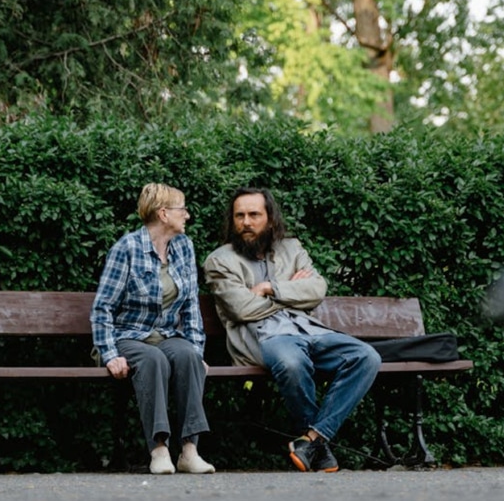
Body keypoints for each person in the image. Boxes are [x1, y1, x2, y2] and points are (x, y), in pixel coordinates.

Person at [203, 186, 381, 473]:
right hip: (264, 337)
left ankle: (312, 440)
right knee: (291, 363)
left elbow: (317, 289)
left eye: (254, 215)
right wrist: (293, 295)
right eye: (240, 216)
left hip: (308, 330)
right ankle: (317, 446)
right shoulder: (219, 261)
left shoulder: (292, 248)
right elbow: (241, 308)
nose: (246, 222)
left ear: (270, 219)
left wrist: (270, 288)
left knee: (366, 357)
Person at [90, 183, 215, 475]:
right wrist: (110, 354)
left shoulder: (184, 246)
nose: (187, 214)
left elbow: (191, 308)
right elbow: (102, 308)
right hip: (126, 337)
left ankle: (189, 451)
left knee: (186, 357)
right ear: (163, 214)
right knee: (153, 359)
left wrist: (197, 353)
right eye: (181, 209)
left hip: (166, 336)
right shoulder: (127, 248)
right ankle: (158, 449)